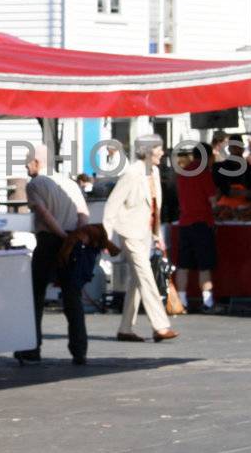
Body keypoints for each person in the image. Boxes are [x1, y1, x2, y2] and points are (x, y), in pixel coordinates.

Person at [19, 146, 89, 364]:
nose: (25, 166)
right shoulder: (69, 183)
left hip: (50, 241)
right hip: (72, 240)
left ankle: (32, 348)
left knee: (36, 294)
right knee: (72, 296)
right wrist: (76, 237)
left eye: (27, 162)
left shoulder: (35, 185)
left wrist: (61, 237)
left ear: (37, 163)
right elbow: (83, 214)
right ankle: (79, 350)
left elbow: (44, 214)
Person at [104, 136, 176, 342]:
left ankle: (125, 328)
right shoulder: (132, 173)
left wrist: (157, 235)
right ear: (147, 151)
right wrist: (106, 237)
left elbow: (154, 207)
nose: (163, 153)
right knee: (146, 276)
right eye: (159, 149)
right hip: (129, 232)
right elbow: (112, 204)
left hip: (144, 232)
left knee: (137, 280)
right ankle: (160, 326)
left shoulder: (154, 171)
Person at [172, 143, 219, 313]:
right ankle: (207, 301)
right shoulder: (204, 173)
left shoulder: (183, 173)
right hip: (202, 223)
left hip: (184, 223)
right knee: (204, 265)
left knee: (183, 264)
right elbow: (213, 201)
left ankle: (181, 301)